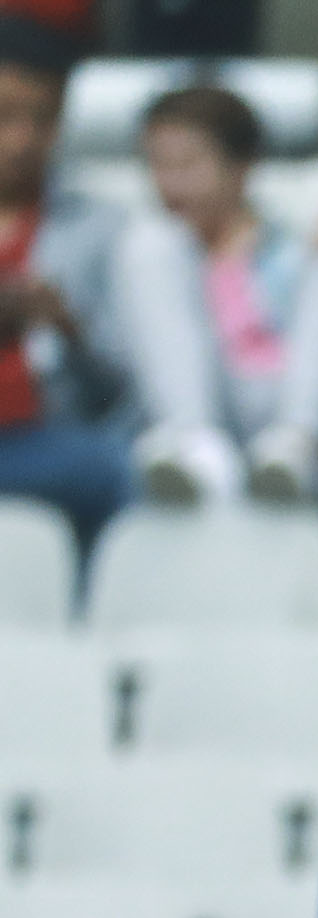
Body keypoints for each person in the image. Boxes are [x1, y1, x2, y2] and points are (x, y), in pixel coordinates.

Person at [116, 82, 318, 523]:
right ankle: (194, 445)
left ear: (243, 166)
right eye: (159, 165)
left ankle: (298, 443)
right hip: (217, 439)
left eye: (189, 164)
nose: (171, 184)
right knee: (149, 243)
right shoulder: (147, 256)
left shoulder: (298, 250)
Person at [0, 18, 131, 556]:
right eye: (6, 117)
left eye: (45, 120)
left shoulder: (100, 226)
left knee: (117, 470)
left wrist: (69, 326)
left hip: (43, 439)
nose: (25, 140)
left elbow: (122, 388)